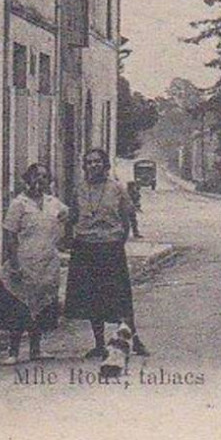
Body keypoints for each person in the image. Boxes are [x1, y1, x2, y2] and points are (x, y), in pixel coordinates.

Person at [65, 147, 149, 360]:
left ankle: (134, 340)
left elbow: (127, 217)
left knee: (120, 297)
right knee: (93, 298)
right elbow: (73, 216)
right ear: (85, 167)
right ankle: (99, 344)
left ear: (105, 165)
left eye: (98, 162)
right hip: (85, 247)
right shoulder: (79, 190)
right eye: (90, 162)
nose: (94, 166)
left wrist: (119, 239)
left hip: (110, 247)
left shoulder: (117, 189)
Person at [0, 163, 69, 364]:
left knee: (41, 306)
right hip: (24, 261)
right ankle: (13, 352)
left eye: (44, 177)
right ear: (27, 179)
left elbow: (68, 214)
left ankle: (36, 349)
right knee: (18, 306)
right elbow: (10, 235)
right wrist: (14, 264)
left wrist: (66, 217)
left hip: (46, 263)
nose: (40, 181)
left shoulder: (52, 202)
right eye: (35, 176)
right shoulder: (19, 204)